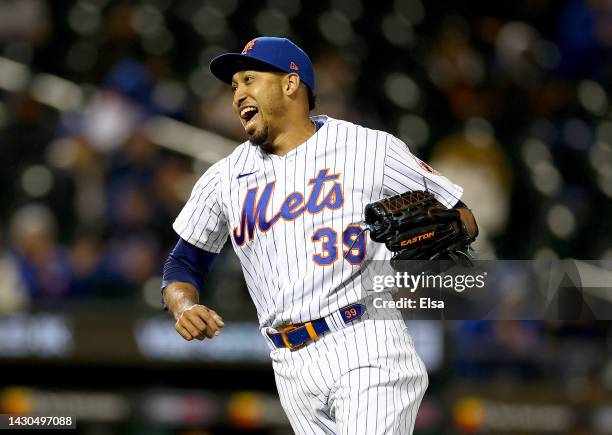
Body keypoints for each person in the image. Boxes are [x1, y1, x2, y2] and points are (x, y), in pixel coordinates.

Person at [162, 36, 478, 434]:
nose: (238, 94)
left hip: (367, 342)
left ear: (290, 84)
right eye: (234, 87)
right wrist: (183, 307)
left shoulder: (370, 149)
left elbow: (462, 215)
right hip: (289, 365)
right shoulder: (223, 179)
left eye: (248, 79)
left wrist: (442, 232)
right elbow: (182, 263)